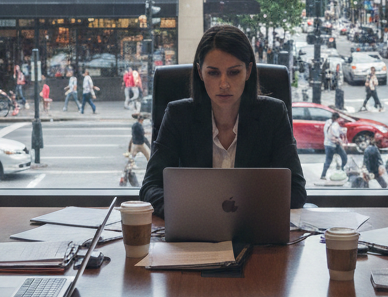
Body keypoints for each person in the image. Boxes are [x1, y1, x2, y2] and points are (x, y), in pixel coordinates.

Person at [140, 24, 306, 216]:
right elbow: (150, 188)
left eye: (234, 72)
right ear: (200, 72)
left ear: (248, 71)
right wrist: (193, 212)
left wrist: (240, 212)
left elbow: (296, 192)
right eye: (213, 73)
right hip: (195, 233)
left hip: (253, 234)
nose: (224, 84)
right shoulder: (178, 115)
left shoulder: (273, 114)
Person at [319, 109, 348, 181]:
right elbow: (336, 137)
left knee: (328, 160)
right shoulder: (334, 125)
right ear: (337, 118)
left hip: (327, 144)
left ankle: (323, 175)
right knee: (344, 157)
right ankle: (342, 169)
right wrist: (342, 143)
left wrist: (341, 130)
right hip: (333, 145)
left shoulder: (328, 122)